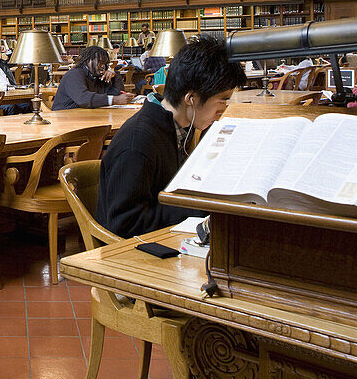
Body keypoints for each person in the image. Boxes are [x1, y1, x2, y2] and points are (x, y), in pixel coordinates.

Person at [97, 37, 247, 238]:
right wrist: (198, 208)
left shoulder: (183, 127)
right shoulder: (137, 142)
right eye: (222, 101)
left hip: (169, 238)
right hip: (132, 253)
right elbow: (125, 224)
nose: (224, 110)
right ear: (190, 98)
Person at [51, 46, 130, 110]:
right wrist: (115, 100)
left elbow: (118, 94)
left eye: (105, 64)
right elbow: (83, 99)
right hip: (64, 119)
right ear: (88, 60)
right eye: (100, 62)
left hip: (82, 117)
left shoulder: (97, 77)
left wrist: (115, 76)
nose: (103, 66)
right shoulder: (74, 74)